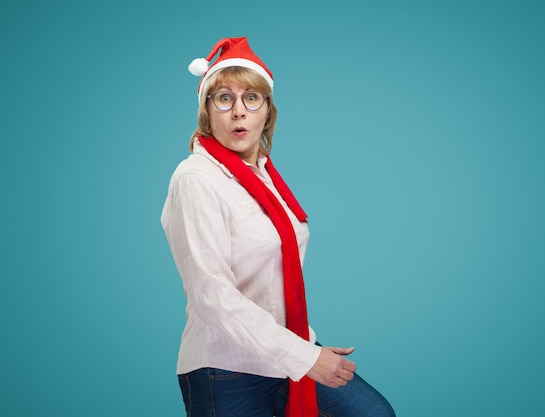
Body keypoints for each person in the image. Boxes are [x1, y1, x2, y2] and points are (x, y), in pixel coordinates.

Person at [161, 37, 395, 417]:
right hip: (226, 368)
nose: (239, 111)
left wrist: (302, 350)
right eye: (224, 98)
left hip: (286, 354)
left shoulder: (266, 176)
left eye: (251, 98)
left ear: (267, 111)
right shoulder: (196, 178)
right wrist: (304, 356)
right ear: (207, 112)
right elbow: (212, 296)